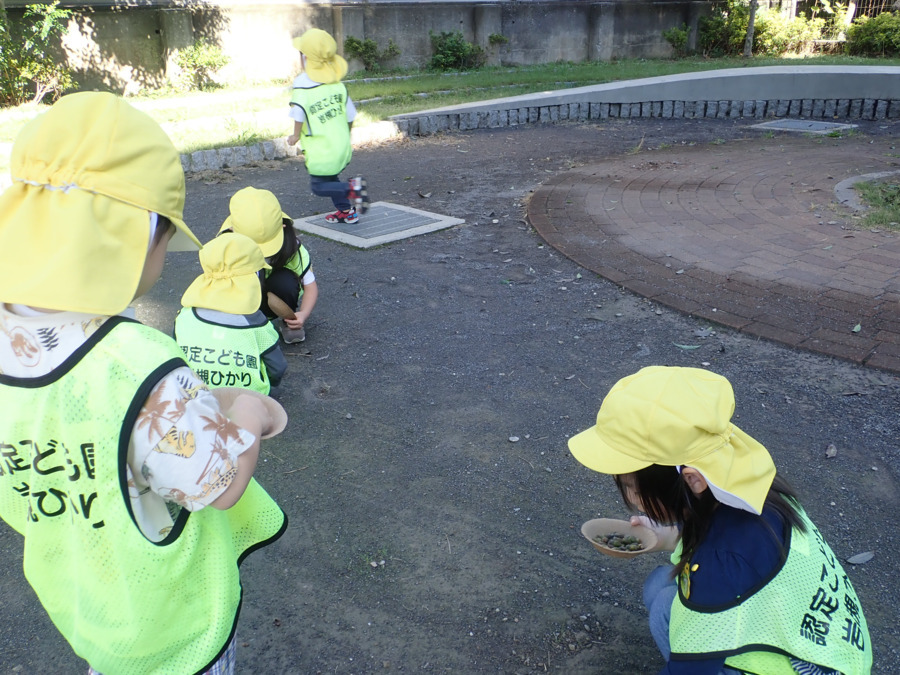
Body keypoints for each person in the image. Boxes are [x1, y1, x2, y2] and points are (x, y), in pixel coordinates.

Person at [0, 91, 288, 674]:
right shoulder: (136, 362)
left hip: (92, 610)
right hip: (174, 630)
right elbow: (221, 483)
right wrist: (252, 414)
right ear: (135, 236)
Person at [568, 366, 872, 675]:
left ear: (692, 480)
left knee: (665, 606)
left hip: (804, 664)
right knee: (660, 588)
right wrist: (667, 537)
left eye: (633, 488)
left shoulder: (720, 564)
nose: (632, 499)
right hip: (833, 651)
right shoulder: (751, 485)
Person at [175, 232, 288, 396]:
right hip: (246, 400)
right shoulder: (256, 323)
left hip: (193, 396)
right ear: (255, 275)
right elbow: (277, 367)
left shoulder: (184, 317)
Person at [286, 27, 369, 225]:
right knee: (331, 179)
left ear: (305, 58)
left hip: (321, 149)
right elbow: (350, 115)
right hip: (340, 145)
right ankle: (346, 212)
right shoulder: (337, 84)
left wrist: (295, 135)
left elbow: (299, 113)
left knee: (318, 186)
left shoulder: (302, 84)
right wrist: (345, 136)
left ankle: (353, 188)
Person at [218, 186, 318, 343]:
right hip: (243, 298)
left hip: (277, 295)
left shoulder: (293, 247)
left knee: (285, 281)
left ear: (283, 226)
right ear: (232, 231)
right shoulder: (223, 247)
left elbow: (310, 285)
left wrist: (303, 314)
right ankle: (244, 325)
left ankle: (288, 321)